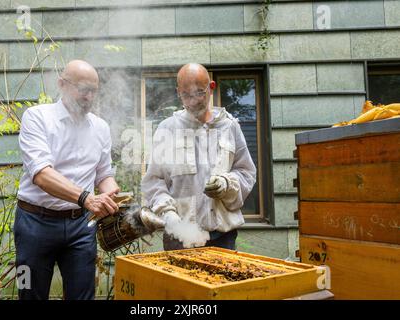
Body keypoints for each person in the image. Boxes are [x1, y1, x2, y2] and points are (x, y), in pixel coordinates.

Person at [14, 60, 120, 300]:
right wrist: (87, 198)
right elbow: (41, 174)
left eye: (93, 90)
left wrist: (116, 199)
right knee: (29, 292)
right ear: (62, 84)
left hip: (81, 226)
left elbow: (104, 175)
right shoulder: (36, 117)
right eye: (83, 89)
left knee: (83, 296)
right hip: (33, 223)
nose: (89, 96)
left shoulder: (101, 128)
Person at [140, 63, 257, 250]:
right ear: (178, 92)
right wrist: (168, 213)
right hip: (179, 237)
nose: (193, 101)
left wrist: (227, 184)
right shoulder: (167, 129)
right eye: (186, 95)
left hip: (222, 238)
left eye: (199, 93)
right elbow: (154, 181)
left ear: (211, 88)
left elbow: (246, 172)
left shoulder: (230, 126)